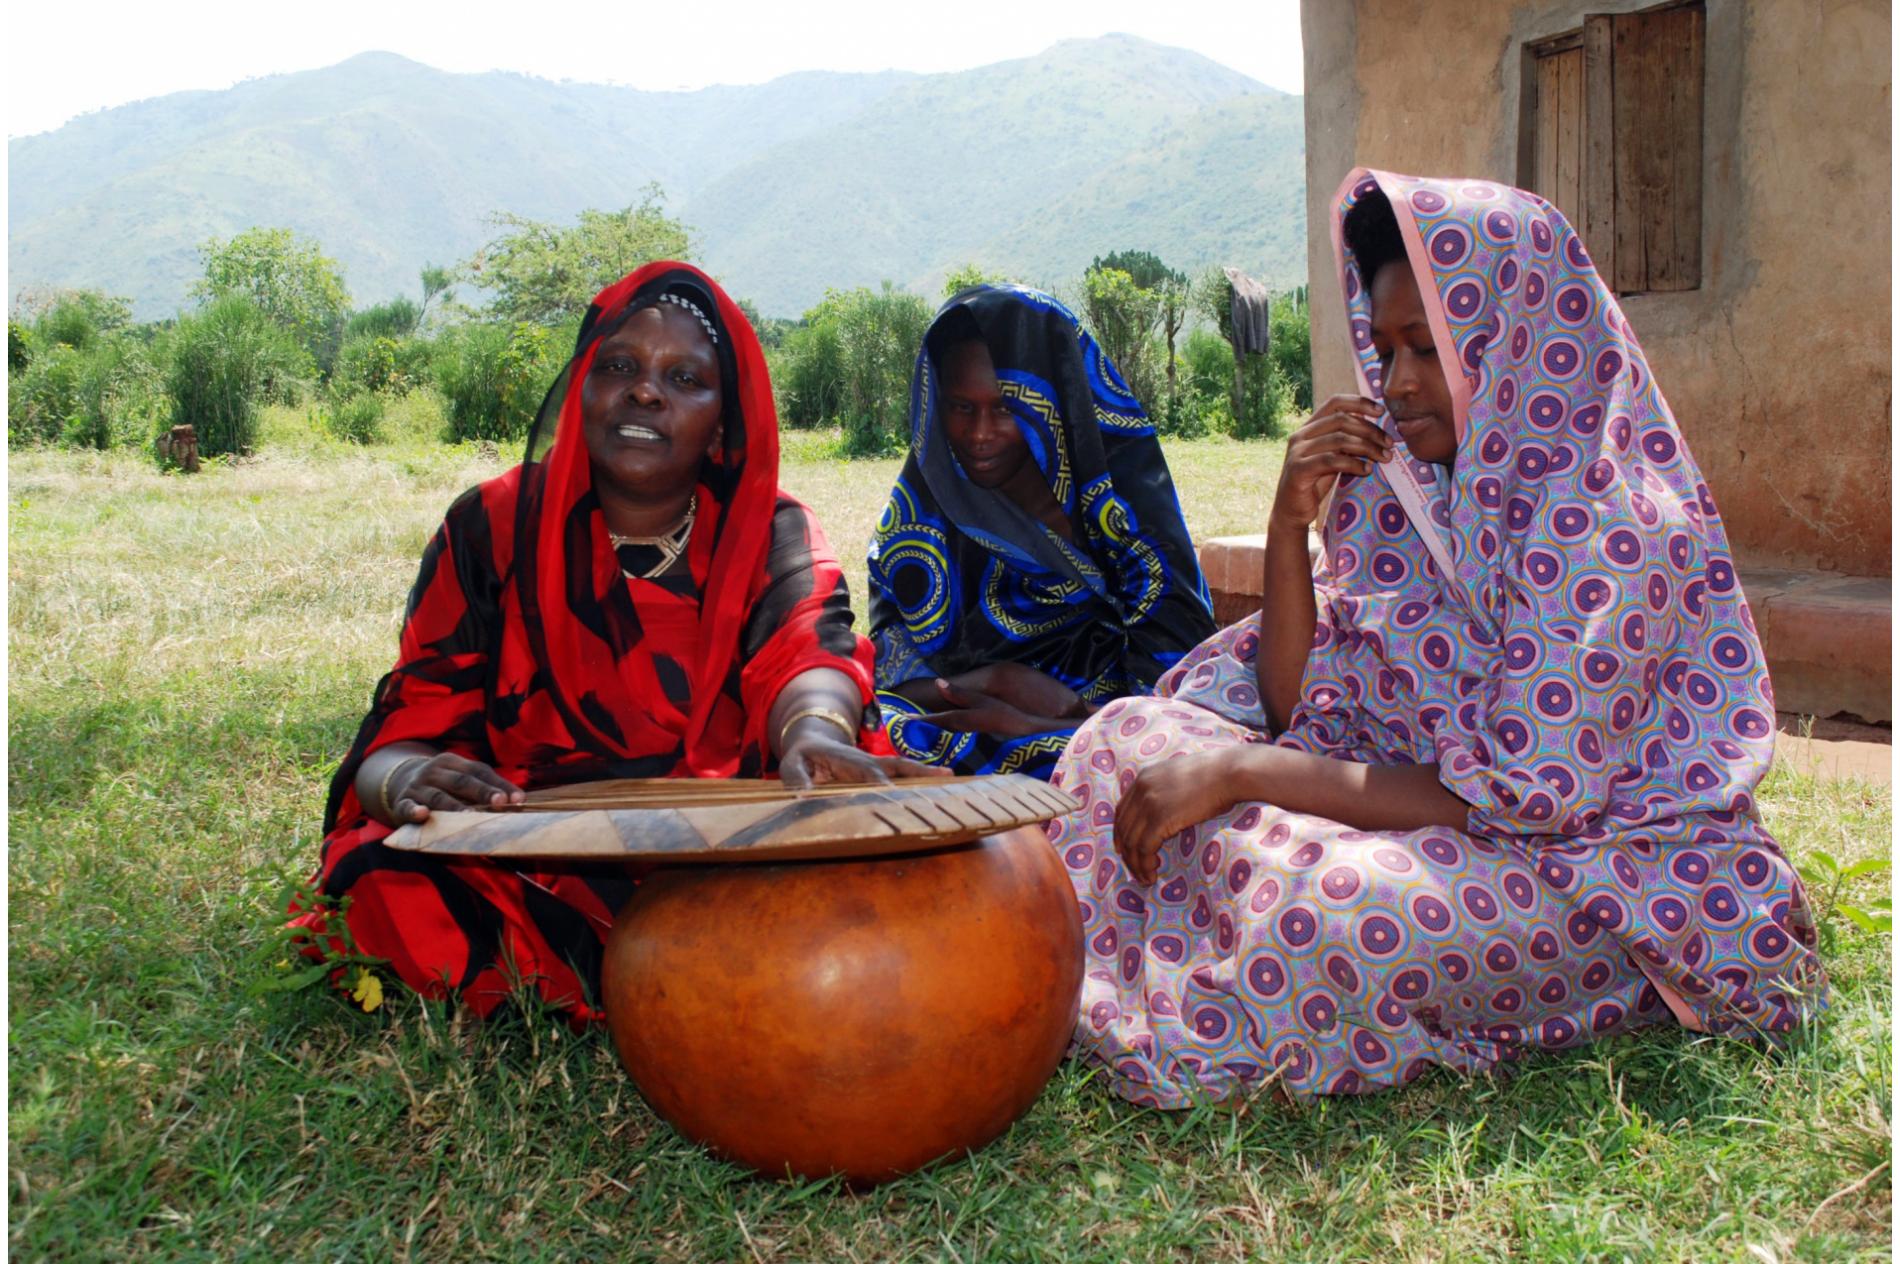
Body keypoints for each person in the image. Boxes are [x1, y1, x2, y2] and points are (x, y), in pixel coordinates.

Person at [1048, 170, 1827, 1106]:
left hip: (1586, 870)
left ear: (1515, 340)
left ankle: (1191, 937)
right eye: (1383, 347)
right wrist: (1291, 525)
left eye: (1429, 347)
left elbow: (1507, 803)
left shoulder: (1612, 529)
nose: (1399, 381)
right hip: (1402, 802)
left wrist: (1241, 777)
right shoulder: (1401, 482)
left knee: (1320, 916)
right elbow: (1300, 708)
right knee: (1122, 738)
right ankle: (1191, 917)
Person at [292, 262, 938, 1021]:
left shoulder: (768, 528)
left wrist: (814, 734)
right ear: (582, 389)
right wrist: (403, 784)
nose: (645, 391)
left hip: (724, 847)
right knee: (379, 876)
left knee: (885, 858)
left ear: (724, 421)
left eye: (685, 377)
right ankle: (677, 976)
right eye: (620, 367)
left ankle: (662, 968)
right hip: (529, 848)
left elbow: (809, 651)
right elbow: (413, 714)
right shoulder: (492, 526)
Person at [868, 284, 1216, 778]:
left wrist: (1051, 724)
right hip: (967, 730)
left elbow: (1184, 688)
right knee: (878, 736)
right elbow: (886, 682)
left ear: (1055, 406)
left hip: (1114, 733)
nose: (980, 434)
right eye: (961, 407)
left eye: (1006, 409)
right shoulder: (918, 529)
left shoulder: (1124, 512)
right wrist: (1000, 679)